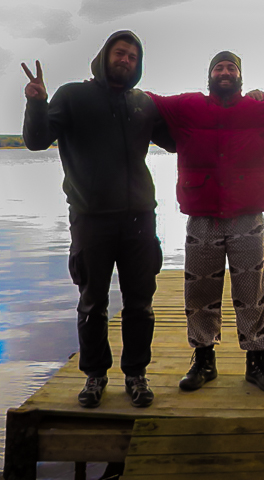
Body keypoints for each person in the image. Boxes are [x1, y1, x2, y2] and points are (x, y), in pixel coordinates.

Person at [22, 31, 175, 408]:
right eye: (120, 53)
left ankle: (136, 374)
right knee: (92, 302)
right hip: (91, 219)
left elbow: (177, 140)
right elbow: (37, 140)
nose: (126, 60)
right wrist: (38, 103)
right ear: (105, 56)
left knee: (141, 302)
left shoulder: (144, 104)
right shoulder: (74, 96)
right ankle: (95, 375)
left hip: (140, 218)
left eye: (133, 57)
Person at [148, 52, 264, 394]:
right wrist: (103, 86)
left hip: (247, 214)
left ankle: (257, 362)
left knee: (252, 290)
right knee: (199, 290)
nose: (225, 72)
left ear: (240, 76)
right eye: (218, 67)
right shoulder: (188, 105)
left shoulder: (260, 107)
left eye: (231, 68)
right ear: (209, 75)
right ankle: (204, 360)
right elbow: (149, 100)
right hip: (202, 215)